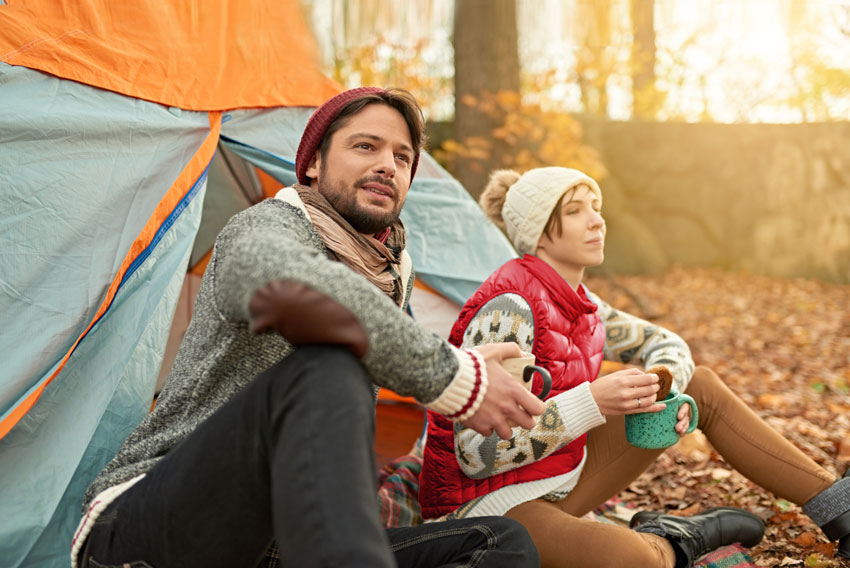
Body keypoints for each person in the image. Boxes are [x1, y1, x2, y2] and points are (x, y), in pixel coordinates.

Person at [71, 87, 548, 568]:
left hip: (279, 546)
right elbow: (284, 282)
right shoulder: (266, 226)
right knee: (325, 367)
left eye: (403, 158)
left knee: (500, 542)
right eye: (366, 146)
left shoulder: (387, 273)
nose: (388, 165)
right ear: (314, 164)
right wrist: (453, 377)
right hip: (152, 525)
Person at [418, 166, 850, 568]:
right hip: (491, 506)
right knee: (633, 560)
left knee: (700, 383)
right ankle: (677, 536)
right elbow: (475, 454)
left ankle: (839, 506)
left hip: (562, 475)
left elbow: (667, 344)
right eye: (574, 211)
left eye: (596, 208)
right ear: (539, 235)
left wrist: (666, 391)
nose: (596, 221)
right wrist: (591, 402)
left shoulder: (583, 303)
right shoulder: (507, 309)